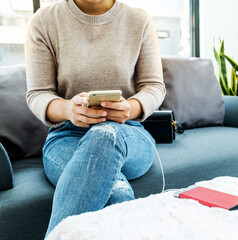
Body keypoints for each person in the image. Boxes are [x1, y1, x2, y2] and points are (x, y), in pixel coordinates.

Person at [25, 0, 165, 238]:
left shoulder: (139, 20)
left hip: (128, 133)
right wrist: (69, 109)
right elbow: (38, 94)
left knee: (104, 135)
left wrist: (130, 108)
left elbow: (153, 86)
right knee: (117, 195)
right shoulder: (44, 21)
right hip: (67, 135)